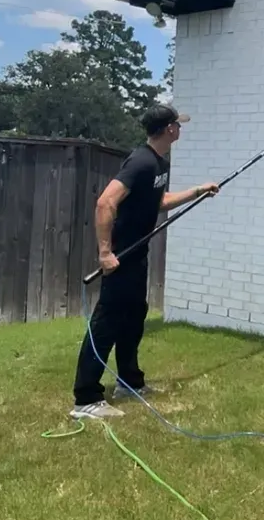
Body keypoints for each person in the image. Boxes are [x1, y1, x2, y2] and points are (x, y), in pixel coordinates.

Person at [71, 103, 218, 417]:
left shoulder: (158, 163)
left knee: (133, 318)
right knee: (106, 323)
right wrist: (106, 253)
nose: (180, 129)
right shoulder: (140, 161)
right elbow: (105, 203)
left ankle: (129, 381)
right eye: (178, 125)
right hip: (121, 257)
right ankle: (85, 399)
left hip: (137, 255)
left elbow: (158, 202)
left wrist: (196, 191)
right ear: (169, 129)